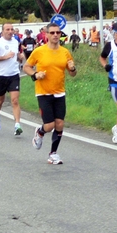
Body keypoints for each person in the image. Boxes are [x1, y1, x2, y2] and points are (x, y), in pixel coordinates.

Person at [23, 23, 77, 165]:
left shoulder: (65, 52)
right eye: (52, 33)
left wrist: (72, 68)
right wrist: (35, 74)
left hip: (59, 92)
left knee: (59, 124)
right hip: (43, 92)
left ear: (60, 35)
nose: (55, 35)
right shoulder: (39, 51)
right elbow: (26, 67)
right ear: (46, 34)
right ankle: (40, 132)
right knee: (49, 125)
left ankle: (53, 153)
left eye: (58, 33)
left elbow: (72, 74)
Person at [0, 23, 24, 135]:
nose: (10, 31)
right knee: (0, 101)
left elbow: (16, 56)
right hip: (0, 76)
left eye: (12, 29)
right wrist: (5, 57)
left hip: (14, 75)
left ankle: (17, 125)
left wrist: (20, 57)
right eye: (7, 29)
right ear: (2, 31)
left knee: (15, 100)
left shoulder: (15, 42)